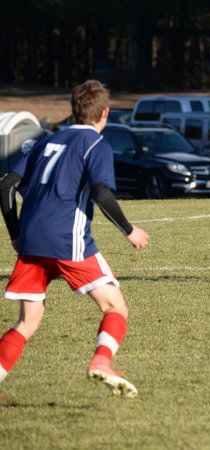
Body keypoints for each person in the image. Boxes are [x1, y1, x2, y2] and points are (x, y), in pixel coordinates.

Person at [0, 80, 149, 398]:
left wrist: (15, 234)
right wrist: (129, 230)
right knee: (115, 307)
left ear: (73, 110)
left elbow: (6, 185)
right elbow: (101, 192)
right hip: (67, 240)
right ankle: (102, 362)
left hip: (31, 240)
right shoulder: (96, 145)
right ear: (105, 112)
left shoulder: (44, 141)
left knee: (27, 321)